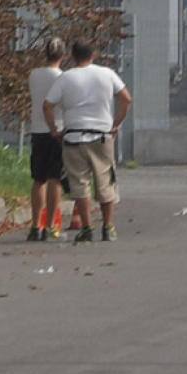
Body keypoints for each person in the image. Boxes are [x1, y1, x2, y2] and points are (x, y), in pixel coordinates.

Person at [52, 38, 131, 242]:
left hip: (73, 136)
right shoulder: (107, 74)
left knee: (80, 183)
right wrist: (117, 122)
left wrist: (54, 129)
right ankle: (108, 227)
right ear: (93, 54)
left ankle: (86, 227)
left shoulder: (65, 78)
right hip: (102, 135)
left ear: (72, 56)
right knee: (106, 181)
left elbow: (47, 104)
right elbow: (126, 98)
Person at [25, 34, 70, 242]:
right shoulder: (63, 77)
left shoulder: (34, 75)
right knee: (55, 180)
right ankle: (51, 225)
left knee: (38, 179)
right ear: (64, 55)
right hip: (57, 130)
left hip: (37, 130)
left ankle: (35, 226)